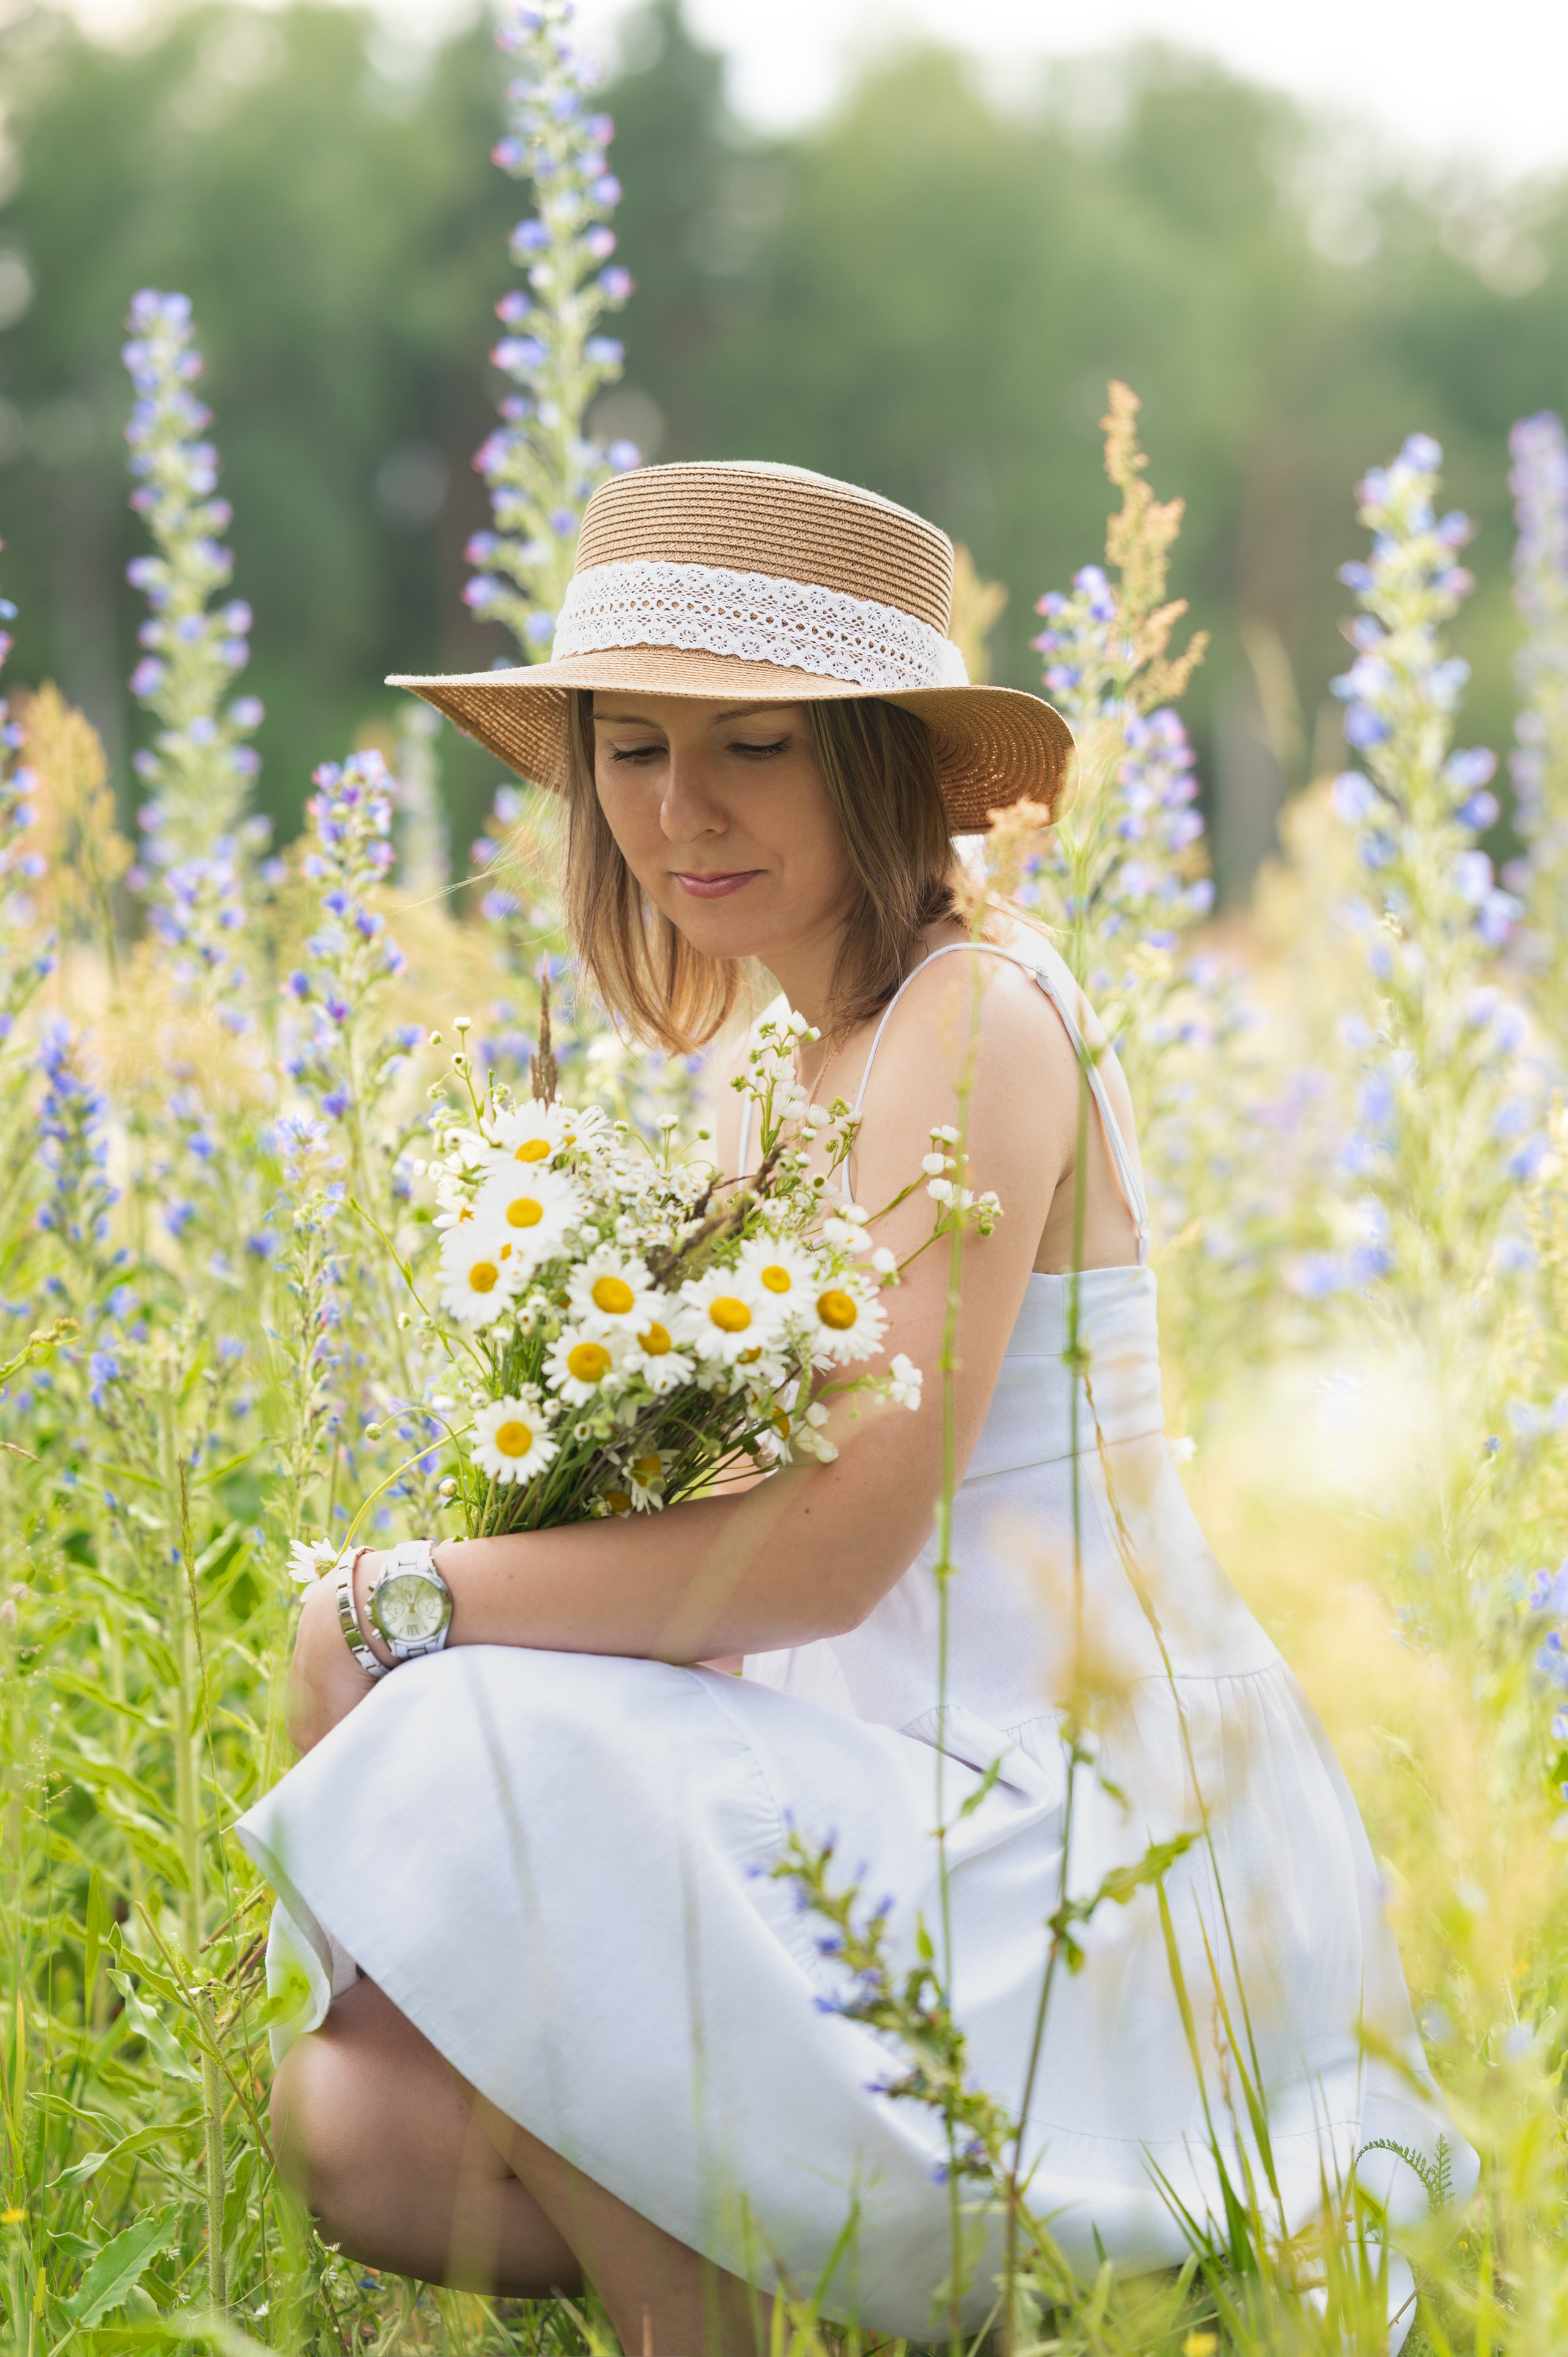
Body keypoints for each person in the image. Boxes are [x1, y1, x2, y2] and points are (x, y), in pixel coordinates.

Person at [239, 459, 1473, 2355]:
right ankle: (750, 2306)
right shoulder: (770, 1069)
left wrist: (405, 1600)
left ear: (881, 760)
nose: (680, 810)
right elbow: (737, 1573)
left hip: (1065, 1828)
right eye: (632, 749)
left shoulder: (975, 1016)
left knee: (449, 1722)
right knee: (355, 2125)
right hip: (871, 1777)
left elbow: (829, 1551)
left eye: (755, 745)